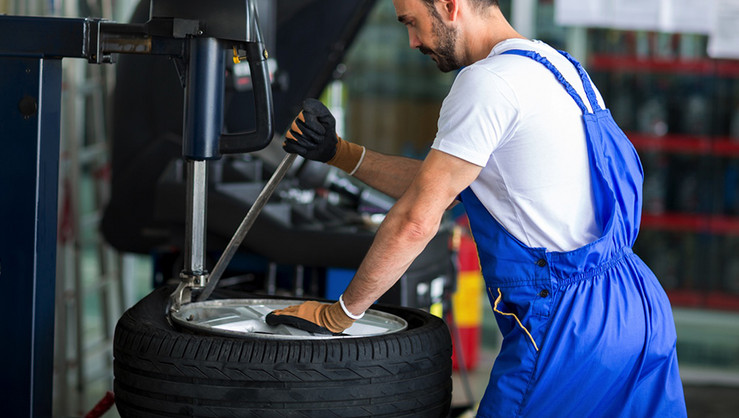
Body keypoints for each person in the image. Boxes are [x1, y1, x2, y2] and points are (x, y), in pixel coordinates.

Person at [266, 0, 688, 416]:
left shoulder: (487, 83)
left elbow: (417, 219)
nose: (412, 41)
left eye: (412, 23)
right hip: (638, 307)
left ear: (450, 6)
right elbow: (444, 185)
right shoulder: (558, 69)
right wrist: (338, 152)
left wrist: (339, 314)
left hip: (569, 326)